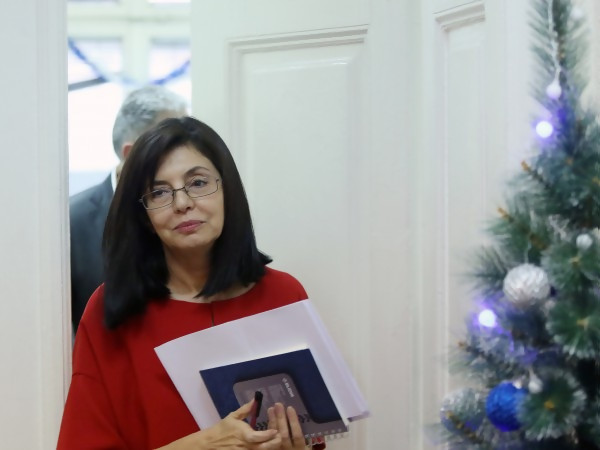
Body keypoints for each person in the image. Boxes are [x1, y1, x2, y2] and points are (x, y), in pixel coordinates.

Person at [58, 117, 325, 449]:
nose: (182, 203)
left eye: (198, 183)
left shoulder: (283, 295)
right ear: (144, 215)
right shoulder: (111, 308)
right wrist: (202, 445)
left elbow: (313, 434)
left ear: (227, 190)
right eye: (159, 192)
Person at [69, 85, 188, 332]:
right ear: (132, 154)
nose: (187, 151)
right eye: (173, 143)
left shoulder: (191, 207)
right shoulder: (71, 222)